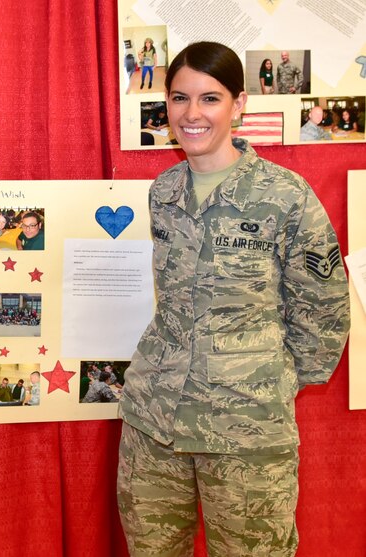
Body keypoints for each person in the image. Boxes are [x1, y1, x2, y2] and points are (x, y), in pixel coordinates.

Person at [117, 41, 349, 557]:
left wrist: (266, 379)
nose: (192, 114)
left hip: (246, 433)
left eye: (210, 98)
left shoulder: (285, 195)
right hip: (154, 424)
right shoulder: (163, 191)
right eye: (180, 98)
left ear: (239, 104)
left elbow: (327, 310)